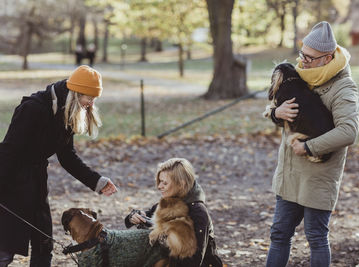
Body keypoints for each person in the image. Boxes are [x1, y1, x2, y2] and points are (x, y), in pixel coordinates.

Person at [0, 65, 118, 267]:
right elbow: (9, 152)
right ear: (75, 92)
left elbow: (67, 157)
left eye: (94, 98)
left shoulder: (66, 113)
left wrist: (97, 181)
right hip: (11, 181)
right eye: (88, 97)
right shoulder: (33, 108)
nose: (91, 103)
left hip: (37, 182)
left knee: (43, 243)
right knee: (5, 246)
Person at [265, 21, 359, 267]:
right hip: (290, 173)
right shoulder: (301, 75)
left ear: (327, 58)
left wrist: (309, 147)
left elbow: (348, 132)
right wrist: (278, 114)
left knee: (316, 238)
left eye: (309, 58)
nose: (302, 61)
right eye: (301, 54)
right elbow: (291, 114)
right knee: (279, 235)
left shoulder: (343, 87)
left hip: (318, 176)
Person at [125, 158, 222, 267]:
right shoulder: (168, 202)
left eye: (164, 183)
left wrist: (165, 238)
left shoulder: (198, 212)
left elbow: (194, 262)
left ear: (181, 184)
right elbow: (145, 216)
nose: (159, 186)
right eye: (160, 181)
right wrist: (133, 217)